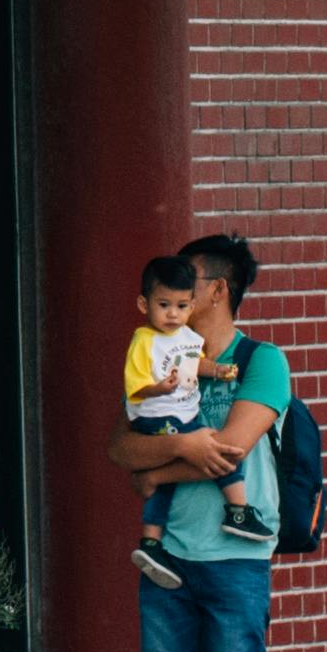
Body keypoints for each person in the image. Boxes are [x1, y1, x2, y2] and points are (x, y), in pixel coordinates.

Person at [109, 233, 327, 652]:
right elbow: (122, 450)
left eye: (190, 279)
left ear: (215, 290)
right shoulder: (158, 359)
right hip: (168, 556)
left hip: (238, 548)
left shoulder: (263, 361)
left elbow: (233, 447)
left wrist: (161, 466)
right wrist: (179, 451)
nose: (175, 290)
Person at [119, 253, 209, 596]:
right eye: (164, 304)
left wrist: (216, 369)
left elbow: (198, 364)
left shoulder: (186, 340)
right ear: (144, 304)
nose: (173, 314)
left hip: (179, 414)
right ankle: (239, 510)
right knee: (212, 454)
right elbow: (135, 390)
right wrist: (161, 388)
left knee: (168, 477)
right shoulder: (145, 343)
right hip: (158, 417)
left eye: (182, 305)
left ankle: (151, 541)